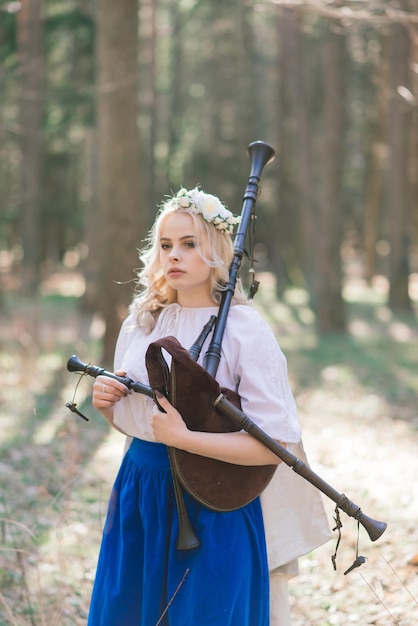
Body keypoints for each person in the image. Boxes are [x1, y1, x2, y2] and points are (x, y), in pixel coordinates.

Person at [88, 187, 331, 626]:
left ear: (217, 251)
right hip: (143, 491)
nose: (173, 256)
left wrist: (187, 439)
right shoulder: (143, 321)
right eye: (165, 245)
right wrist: (109, 405)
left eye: (188, 244)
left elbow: (274, 443)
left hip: (216, 501)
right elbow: (144, 426)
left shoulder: (244, 329)